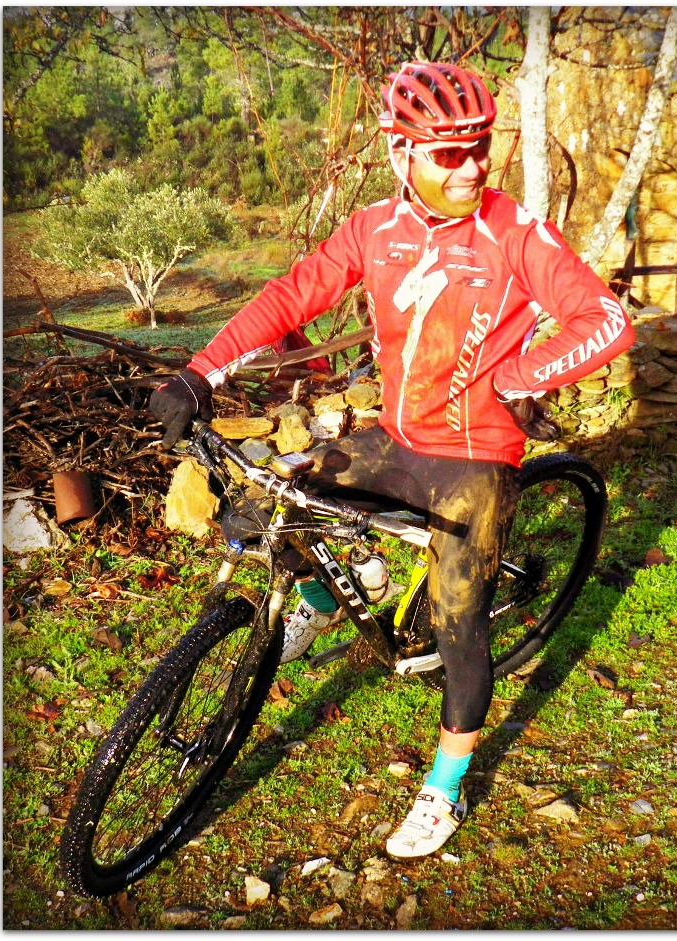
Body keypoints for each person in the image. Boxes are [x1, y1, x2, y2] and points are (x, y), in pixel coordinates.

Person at [150, 61, 636, 859]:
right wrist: (200, 373)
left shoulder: (513, 231)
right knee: (285, 498)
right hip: (399, 435)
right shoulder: (375, 227)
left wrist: (518, 377)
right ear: (400, 154)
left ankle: (445, 788)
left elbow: (606, 320)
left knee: (458, 625)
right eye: (449, 154)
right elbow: (291, 294)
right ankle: (323, 595)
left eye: (480, 148)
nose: (472, 166)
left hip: (474, 455)